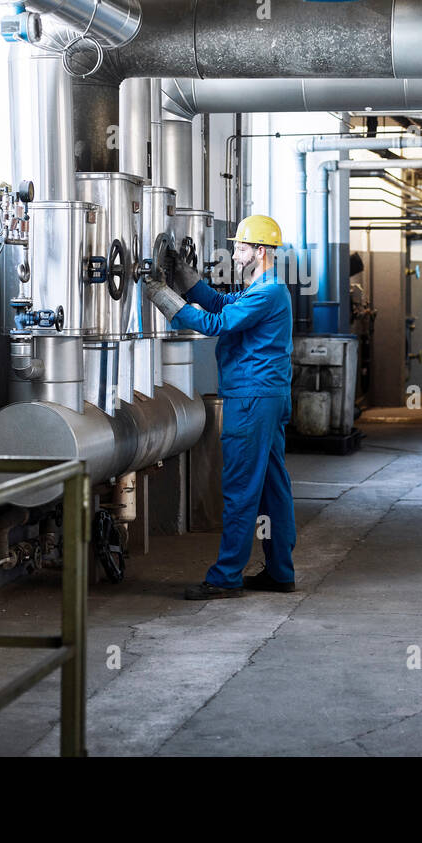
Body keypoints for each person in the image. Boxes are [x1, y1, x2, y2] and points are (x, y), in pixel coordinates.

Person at [143, 215, 297, 600]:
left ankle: (227, 576)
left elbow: (216, 323)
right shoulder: (262, 288)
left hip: (251, 400)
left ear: (260, 251)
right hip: (267, 397)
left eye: (241, 247)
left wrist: (164, 297)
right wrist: (184, 277)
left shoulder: (268, 293)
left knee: (241, 489)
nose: (234, 252)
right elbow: (219, 302)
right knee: (273, 489)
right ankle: (280, 571)